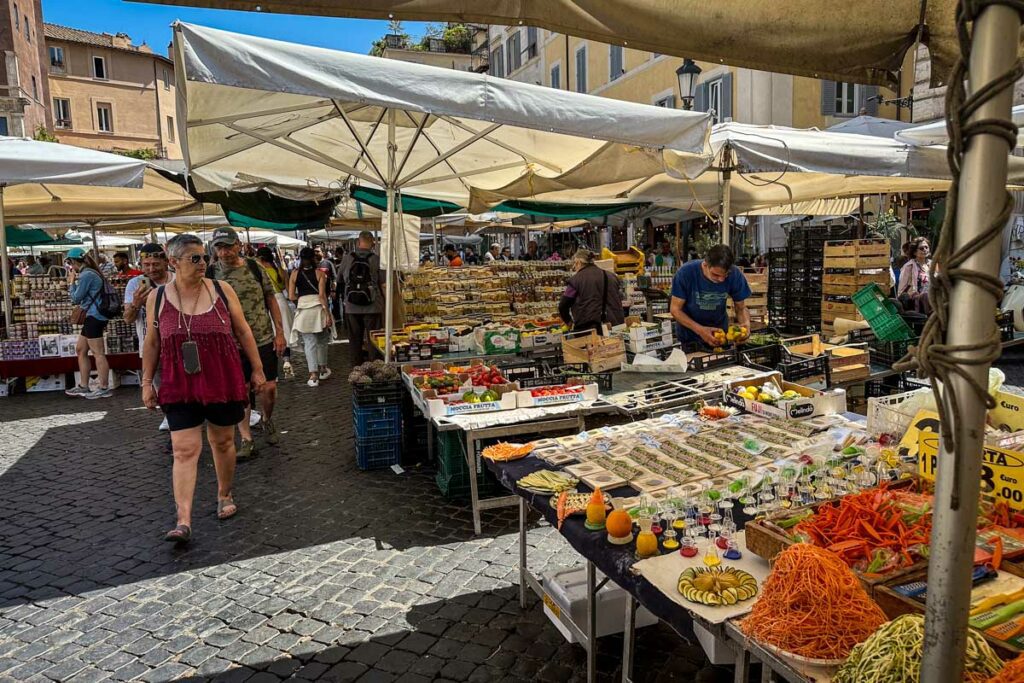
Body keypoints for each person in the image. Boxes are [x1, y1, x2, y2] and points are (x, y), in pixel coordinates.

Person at [141, 234, 266, 544]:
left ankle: (224, 493)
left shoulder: (222, 290)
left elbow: (243, 330)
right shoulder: (156, 298)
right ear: (174, 262)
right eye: (194, 258)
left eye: (203, 257)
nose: (203, 263)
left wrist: (258, 368)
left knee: (223, 442)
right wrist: (146, 382)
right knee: (184, 450)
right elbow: (152, 343)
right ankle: (183, 519)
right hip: (178, 383)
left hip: (222, 378)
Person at [209, 227, 286, 459]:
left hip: (262, 337)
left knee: (268, 388)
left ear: (238, 245)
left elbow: (271, 299)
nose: (224, 252)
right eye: (220, 248)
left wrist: (279, 332)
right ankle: (246, 439)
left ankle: (267, 418)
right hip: (231, 344)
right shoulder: (211, 273)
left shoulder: (254, 267)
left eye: (228, 246)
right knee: (240, 391)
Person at [124, 243, 175, 429]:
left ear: (165, 261)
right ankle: (169, 415)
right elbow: (128, 319)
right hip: (150, 343)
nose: (151, 269)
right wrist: (136, 303)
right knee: (159, 383)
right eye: (146, 265)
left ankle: (184, 414)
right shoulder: (134, 284)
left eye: (155, 264)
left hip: (177, 342)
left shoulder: (177, 280)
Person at [669, 244, 752, 348]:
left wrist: (746, 325)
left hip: (720, 336)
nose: (721, 279)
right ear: (705, 265)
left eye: (725, 275)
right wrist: (701, 330)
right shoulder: (685, 273)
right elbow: (675, 310)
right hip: (690, 338)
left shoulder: (735, 274)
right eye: (716, 275)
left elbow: (741, 308)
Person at [64, 247, 113, 399]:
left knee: (98, 353)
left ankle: (104, 386)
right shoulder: (91, 272)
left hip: (94, 316)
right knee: (81, 349)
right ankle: (84, 385)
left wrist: (71, 283)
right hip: (92, 316)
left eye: (70, 263)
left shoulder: (86, 275)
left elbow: (76, 298)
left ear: (72, 262)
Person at [289, 247, 334, 386]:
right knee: (322, 340)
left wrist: (302, 301)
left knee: (309, 343)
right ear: (314, 259)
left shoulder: (294, 274)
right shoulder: (320, 273)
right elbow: (322, 296)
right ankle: (322, 369)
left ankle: (313, 375)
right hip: (318, 310)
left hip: (303, 310)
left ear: (301, 259)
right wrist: (328, 315)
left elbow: (291, 296)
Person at [339, 231, 385, 366]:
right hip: (373, 306)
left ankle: (356, 369)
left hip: (351, 306)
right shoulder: (376, 259)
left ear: (358, 242)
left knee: (354, 340)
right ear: (372, 244)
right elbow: (383, 284)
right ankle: (375, 367)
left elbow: (340, 279)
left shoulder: (347, 258)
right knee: (374, 339)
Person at [558, 248, 625, 335]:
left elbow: (563, 305)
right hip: (614, 327)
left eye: (574, 264)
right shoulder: (612, 276)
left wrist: (569, 321)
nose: (574, 267)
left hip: (588, 330)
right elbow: (620, 298)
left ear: (578, 262)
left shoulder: (575, 280)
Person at [255, 247, 295, 377]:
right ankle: (287, 362)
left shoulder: (260, 273)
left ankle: (273, 372)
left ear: (261, 259)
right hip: (282, 302)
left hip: (267, 304)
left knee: (270, 336)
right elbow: (289, 293)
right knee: (285, 333)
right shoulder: (281, 271)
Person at [897, 237, 932, 315]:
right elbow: (901, 290)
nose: (925, 250)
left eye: (926, 247)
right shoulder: (909, 266)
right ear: (915, 252)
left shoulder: (932, 265)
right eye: (921, 248)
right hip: (916, 303)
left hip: (932, 300)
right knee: (925, 296)